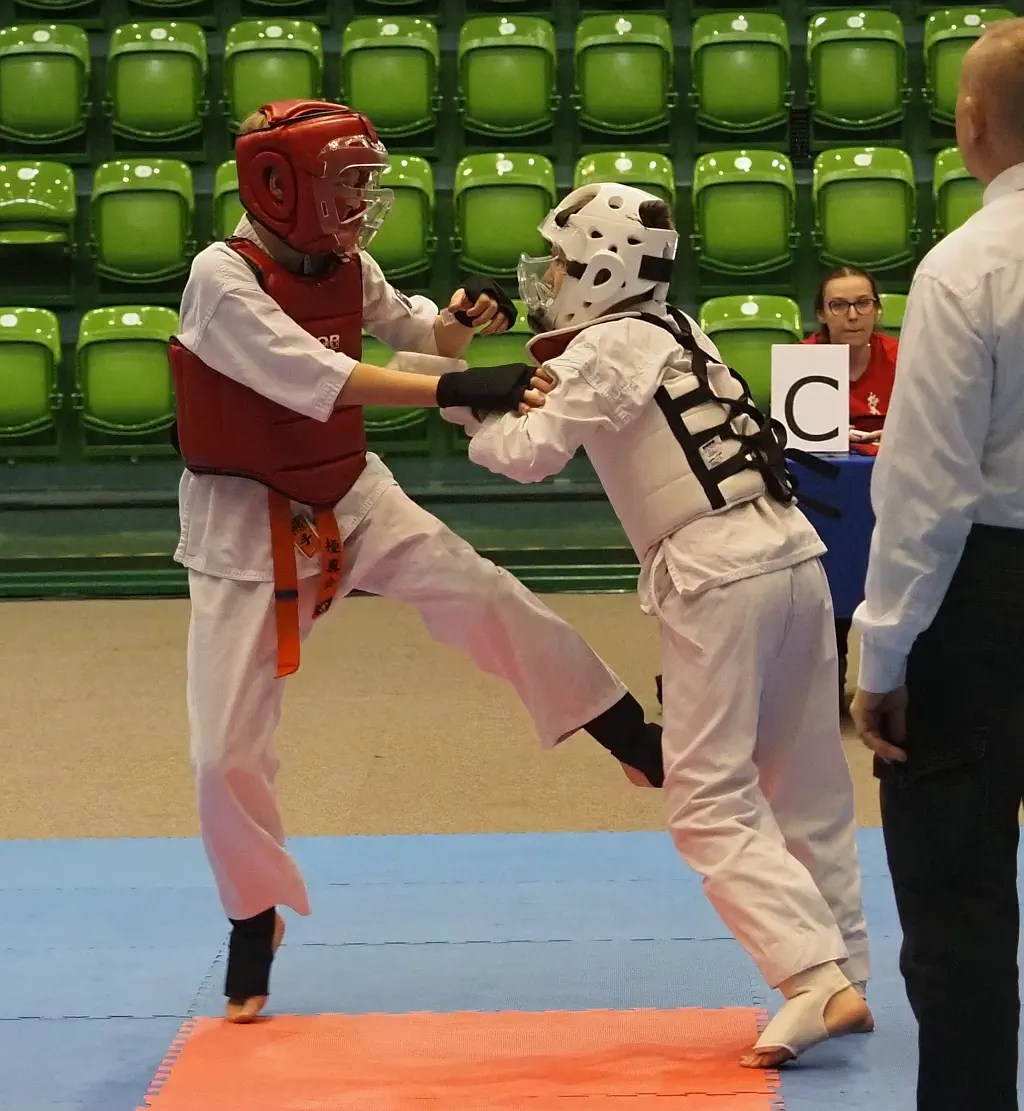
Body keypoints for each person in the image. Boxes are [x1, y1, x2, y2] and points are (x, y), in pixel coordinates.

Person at [169, 99, 665, 1024]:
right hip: (244, 523)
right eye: (345, 185)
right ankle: (251, 911)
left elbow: (420, 339)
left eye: (366, 184)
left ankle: (629, 733)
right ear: (279, 186)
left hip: (352, 494)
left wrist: (463, 328)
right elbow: (324, 379)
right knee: (222, 752)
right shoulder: (221, 277)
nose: (361, 203)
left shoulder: (345, 263)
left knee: (487, 596)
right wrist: (462, 384)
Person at [446, 181, 873, 1067]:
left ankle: (813, 976)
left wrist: (463, 402)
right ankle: (847, 970)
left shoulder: (605, 346)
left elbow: (526, 453)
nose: (550, 276)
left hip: (716, 573)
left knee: (705, 796)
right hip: (794, 556)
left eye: (562, 260)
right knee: (806, 783)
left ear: (602, 269)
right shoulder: (684, 329)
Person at [850, 18, 1024, 1111]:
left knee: (959, 907)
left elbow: (927, 492)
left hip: (985, 601)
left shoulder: (967, 269)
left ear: (969, 123)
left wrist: (883, 653)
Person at [802, 266, 900, 711]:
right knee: (832, 569)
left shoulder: (902, 357)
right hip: (827, 489)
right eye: (839, 305)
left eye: (863, 303)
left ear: (877, 309)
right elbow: (795, 432)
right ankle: (829, 672)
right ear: (822, 314)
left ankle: (897, 682)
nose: (852, 315)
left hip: (893, 483)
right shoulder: (804, 360)